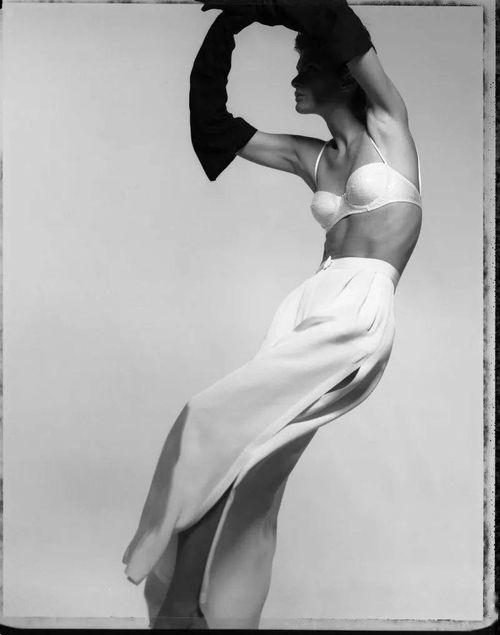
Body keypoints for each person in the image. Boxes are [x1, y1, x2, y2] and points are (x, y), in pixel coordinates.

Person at [122, 0, 423, 629]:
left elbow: (339, 23)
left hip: (359, 308)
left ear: (343, 78)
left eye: (305, 69)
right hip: (309, 303)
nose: (294, 80)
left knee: (214, 420)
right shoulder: (308, 157)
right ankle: (192, 609)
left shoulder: (389, 125)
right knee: (239, 451)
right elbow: (214, 122)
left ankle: (181, 606)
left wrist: (262, 5)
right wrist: (226, 28)